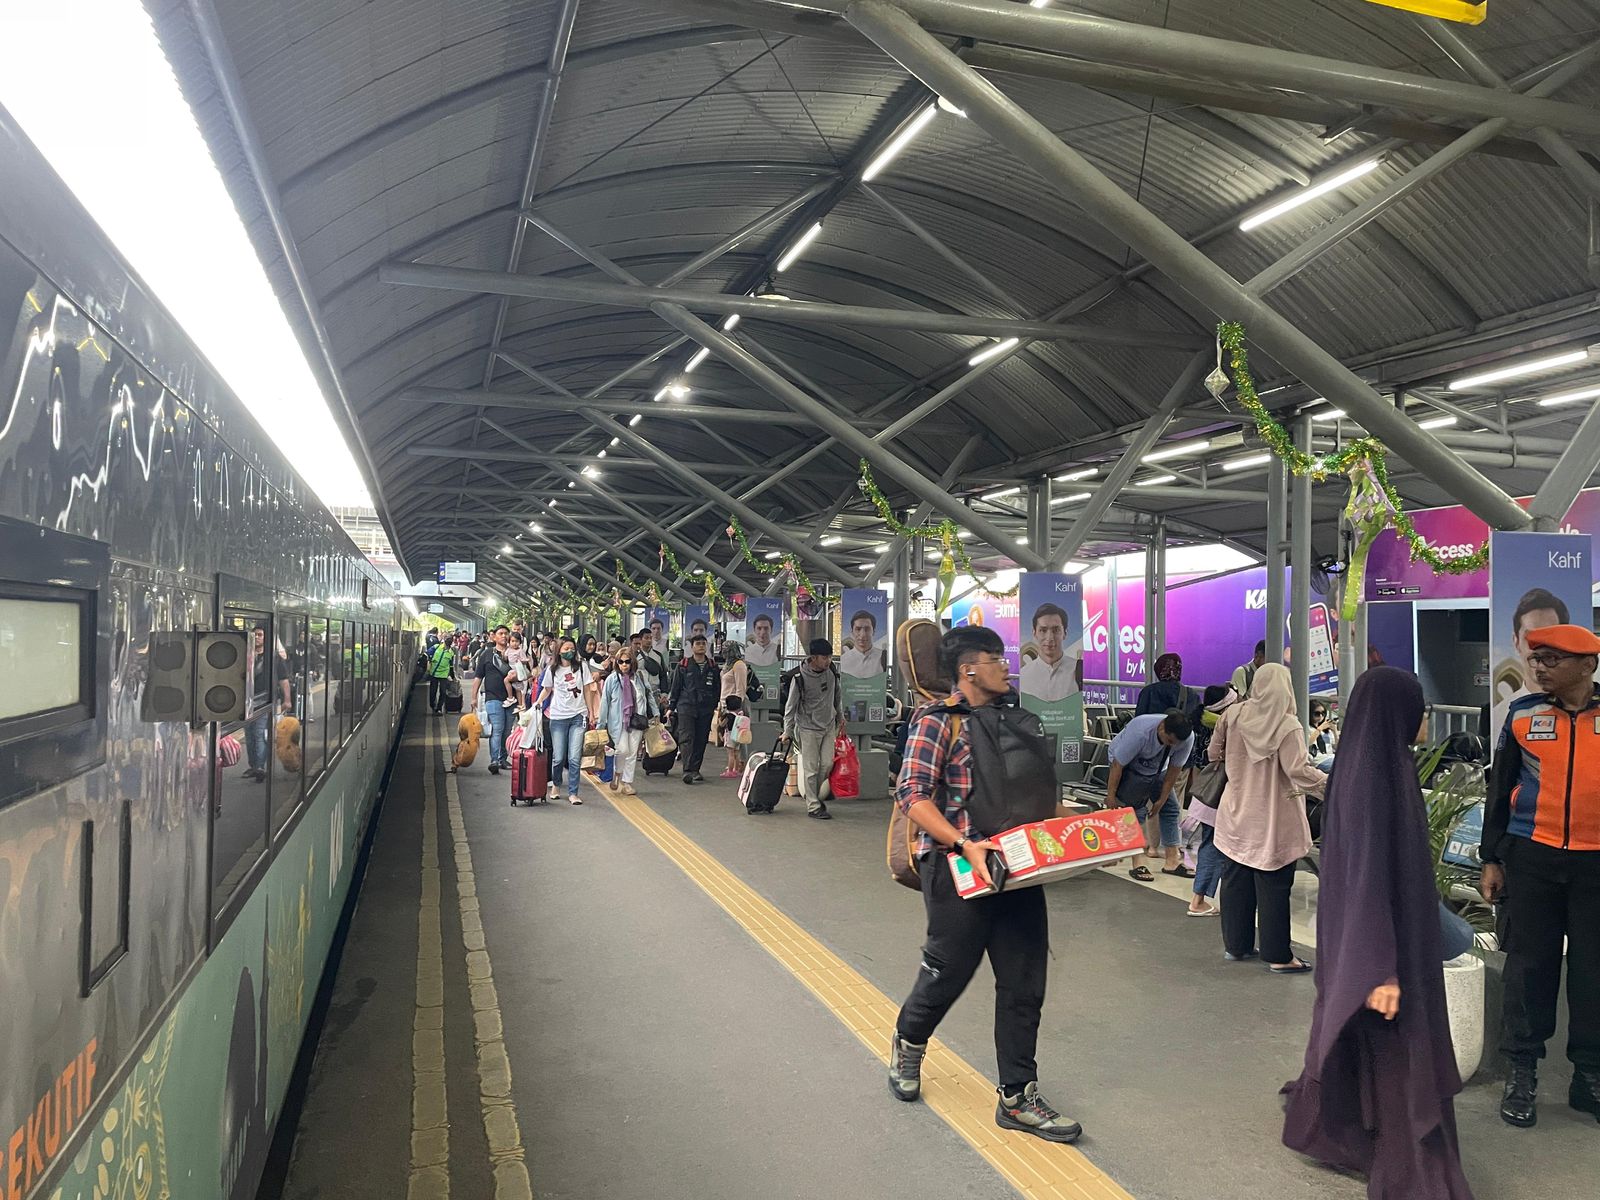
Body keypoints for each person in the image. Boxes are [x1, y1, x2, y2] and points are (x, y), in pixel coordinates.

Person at [1282, 667, 1475, 1199]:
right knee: (1403, 1059)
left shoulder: (1365, 765)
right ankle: (1413, 1172)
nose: (1425, 719)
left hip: (1371, 939)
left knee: (1361, 1044)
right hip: (1386, 947)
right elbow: (1369, 874)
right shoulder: (1376, 775)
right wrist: (1382, 968)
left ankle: (1338, 1132)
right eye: (1420, 708)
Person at [887, 625, 1082, 1144]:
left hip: (1017, 868)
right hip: (958, 866)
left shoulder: (1017, 723)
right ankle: (909, 1041)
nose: (1006, 666)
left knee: (1024, 982)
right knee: (948, 971)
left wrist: (1086, 830)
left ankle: (1017, 1097)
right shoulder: (937, 723)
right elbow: (913, 793)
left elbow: (1039, 796)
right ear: (968, 669)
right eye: (995, 659)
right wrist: (962, 842)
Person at [1480, 623, 1600, 1128]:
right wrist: (1491, 858)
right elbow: (1499, 785)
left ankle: (1589, 1076)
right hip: (1532, 858)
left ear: (1588, 666)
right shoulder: (1523, 715)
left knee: (1595, 972)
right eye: (1537, 659)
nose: (1540, 667)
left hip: (1596, 863)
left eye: (1553, 659)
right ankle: (1522, 1071)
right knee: (1530, 968)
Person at [1211, 663, 1327, 973]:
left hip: (1235, 813)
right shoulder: (1287, 725)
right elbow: (1298, 771)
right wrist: (1331, 787)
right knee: (1273, 886)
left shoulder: (1232, 715)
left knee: (1235, 881)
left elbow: (1212, 754)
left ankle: (1237, 947)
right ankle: (1278, 956)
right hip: (1273, 820)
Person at [1105, 709, 1194, 881]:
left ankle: (1172, 861)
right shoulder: (1140, 732)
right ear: (1161, 728)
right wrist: (1111, 795)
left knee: (1171, 808)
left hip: (1157, 767)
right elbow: (1118, 765)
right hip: (1127, 765)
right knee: (1136, 810)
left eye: (1175, 744)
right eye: (1168, 741)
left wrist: (1161, 799)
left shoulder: (1186, 738)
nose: (1171, 746)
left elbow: (1174, 770)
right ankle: (1137, 863)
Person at [1488, 587, 1570, 749]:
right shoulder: (1502, 715)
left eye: (1550, 636)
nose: (1540, 649)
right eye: (1530, 638)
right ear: (1516, 641)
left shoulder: (1589, 709)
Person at [1184, 684, 1237, 917]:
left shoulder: (1201, 723)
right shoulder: (1226, 726)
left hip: (1208, 794)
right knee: (1213, 846)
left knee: (1211, 843)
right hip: (1220, 795)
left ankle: (1202, 897)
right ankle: (1198, 900)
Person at [781, 638, 845, 819]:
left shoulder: (831, 671)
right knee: (811, 769)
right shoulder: (799, 678)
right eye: (824, 658)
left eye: (830, 657)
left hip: (828, 725)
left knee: (827, 764)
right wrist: (787, 730)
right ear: (814, 658)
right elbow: (790, 707)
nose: (828, 661)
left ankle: (813, 796)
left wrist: (840, 716)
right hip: (808, 728)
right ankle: (813, 806)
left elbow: (837, 695)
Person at [597, 648, 658, 796]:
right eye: (621, 662)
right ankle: (617, 774)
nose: (624, 665)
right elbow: (605, 702)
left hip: (638, 720)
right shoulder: (612, 679)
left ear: (633, 662)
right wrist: (601, 724)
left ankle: (627, 783)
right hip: (618, 721)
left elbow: (648, 695)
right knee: (622, 749)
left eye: (627, 661)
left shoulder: (639, 677)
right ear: (617, 663)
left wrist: (656, 713)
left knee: (632, 752)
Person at [539, 639, 591, 805]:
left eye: (572, 648)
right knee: (558, 757)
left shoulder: (582, 667)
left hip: (578, 715)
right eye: (566, 647)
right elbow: (547, 689)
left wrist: (591, 712)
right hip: (558, 717)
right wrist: (537, 704)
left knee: (574, 757)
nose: (569, 650)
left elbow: (588, 689)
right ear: (559, 650)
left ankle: (573, 792)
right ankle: (556, 784)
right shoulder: (552, 669)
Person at [667, 632, 720, 784]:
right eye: (698, 644)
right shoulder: (683, 665)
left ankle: (696, 769)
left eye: (703, 644)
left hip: (705, 708)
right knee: (687, 737)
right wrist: (672, 706)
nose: (701, 646)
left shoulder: (712, 666)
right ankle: (687, 770)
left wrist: (715, 704)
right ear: (692, 647)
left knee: (701, 738)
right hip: (686, 707)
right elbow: (676, 687)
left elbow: (717, 687)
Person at [469, 625, 517, 775]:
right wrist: (473, 697)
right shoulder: (487, 654)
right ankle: (494, 760)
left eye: (506, 633)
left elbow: (526, 672)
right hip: (492, 697)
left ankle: (503, 758)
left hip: (511, 698)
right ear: (494, 637)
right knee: (497, 729)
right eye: (500, 633)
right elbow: (478, 677)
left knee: (507, 731)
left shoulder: (514, 654)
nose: (503, 636)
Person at [1018, 603, 1077, 703]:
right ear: (1034, 633)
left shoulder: (1077, 669)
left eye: (1056, 630)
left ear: (1065, 633)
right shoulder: (1024, 674)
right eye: (1043, 630)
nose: (1049, 638)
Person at [1134, 652, 1200, 721]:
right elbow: (1197, 722)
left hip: (1154, 731)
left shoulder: (1148, 692)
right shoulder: (1192, 694)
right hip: (1183, 731)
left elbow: (1138, 722)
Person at [718, 643, 749, 778]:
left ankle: (741, 763)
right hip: (725, 705)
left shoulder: (739, 665)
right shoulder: (727, 665)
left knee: (739, 736)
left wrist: (736, 709)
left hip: (735, 706)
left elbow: (741, 688)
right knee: (729, 737)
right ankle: (733, 764)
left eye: (726, 649)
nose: (724, 652)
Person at [841, 610, 887, 677]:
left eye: (867, 629)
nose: (862, 634)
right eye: (858, 629)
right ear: (852, 632)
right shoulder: (844, 660)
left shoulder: (883, 657)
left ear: (873, 632)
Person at [424, 635, 457, 715]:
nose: (448, 641)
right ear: (444, 640)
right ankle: (433, 705)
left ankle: (439, 708)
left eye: (450, 640)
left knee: (443, 692)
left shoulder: (451, 653)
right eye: (447, 639)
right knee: (433, 692)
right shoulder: (436, 647)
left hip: (443, 675)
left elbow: (451, 666)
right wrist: (428, 660)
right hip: (434, 673)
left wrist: (452, 677)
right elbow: (426, 654)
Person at [638, 625, 670, 705]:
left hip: (655, 693)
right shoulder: (634, 656)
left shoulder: (658, 655)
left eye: (650, 638)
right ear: (640, 639)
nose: (649, 640)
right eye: (646, 638)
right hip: (639, 693)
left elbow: (663, 675)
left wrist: (664, 693)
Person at [720, 694, 749, 778]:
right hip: (738, 736)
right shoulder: (740, 714)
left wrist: (720, 720)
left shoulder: (729, 716)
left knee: (730, 754)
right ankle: (736, 770)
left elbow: (722, 725)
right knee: (737, 754)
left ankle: (730, 771)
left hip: (730, 735)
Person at [1308, 698, 1339, 773]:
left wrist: (1335, 731)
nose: (1321, 716)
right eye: (1317, 714)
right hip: (1318, 760)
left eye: (1323, 713)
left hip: (1331, 756)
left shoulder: (1326, 729)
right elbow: (1307, 743)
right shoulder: (1307, 728)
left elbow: (1337, 747)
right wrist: (1320, 729)